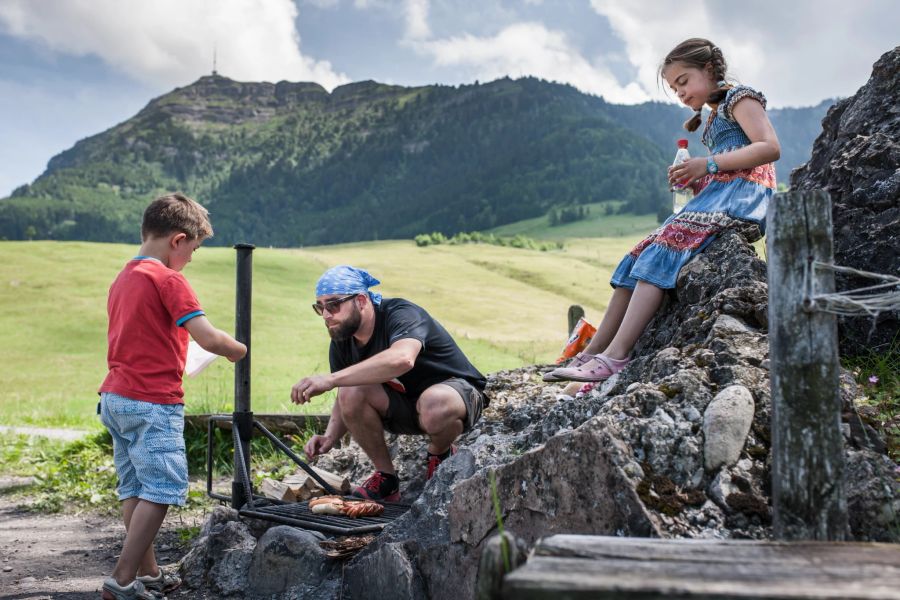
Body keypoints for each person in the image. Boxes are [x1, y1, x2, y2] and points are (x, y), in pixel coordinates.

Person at [546, 38, 779, 384]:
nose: (680, 93)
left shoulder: (739, 97)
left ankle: (615, 355)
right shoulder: (715, 114)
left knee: (664, 249)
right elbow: (723, 163)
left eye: (683, 82)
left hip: (745, 195)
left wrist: (708, 166)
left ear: (709, 70)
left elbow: (768, 147)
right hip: (721, 193)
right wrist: (697, 179)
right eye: (674, 88)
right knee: (639, 254)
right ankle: (593, 351)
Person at [97, 193, 247, 600]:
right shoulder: (169, 279)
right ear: (178, 240)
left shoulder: (123, 277)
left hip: (116, 398)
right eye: (194, 249)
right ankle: (122, 579)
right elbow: (208, 336)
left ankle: (147, 574)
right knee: (162, 487)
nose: (191, 259)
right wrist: (238, 350)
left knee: (136, 487)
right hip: (152, 401)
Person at [291, 266, 488, 502]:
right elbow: (345, 393)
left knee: (434, 403)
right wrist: (330, 436)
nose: (325, 315)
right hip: (405, 407)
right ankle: (386, 479)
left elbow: (402, 359)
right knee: (350, 388)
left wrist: (330, 379)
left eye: (333, 305)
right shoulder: (344, 340)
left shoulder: (401, 314)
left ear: (361, 300)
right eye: (319, 307)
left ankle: (440, 453)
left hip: (457, 396)